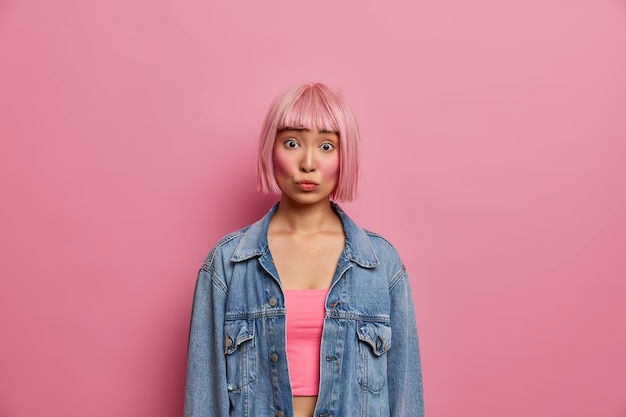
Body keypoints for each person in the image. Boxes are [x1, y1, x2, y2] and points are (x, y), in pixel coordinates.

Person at [185, 82, 424, 417]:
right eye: (293, 143)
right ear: (272, 148)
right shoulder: (227, 265)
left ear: (345, 156)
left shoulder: (382, 266)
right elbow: (204, 402)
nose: (308, 162)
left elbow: (405, 399)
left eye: (326, 146)